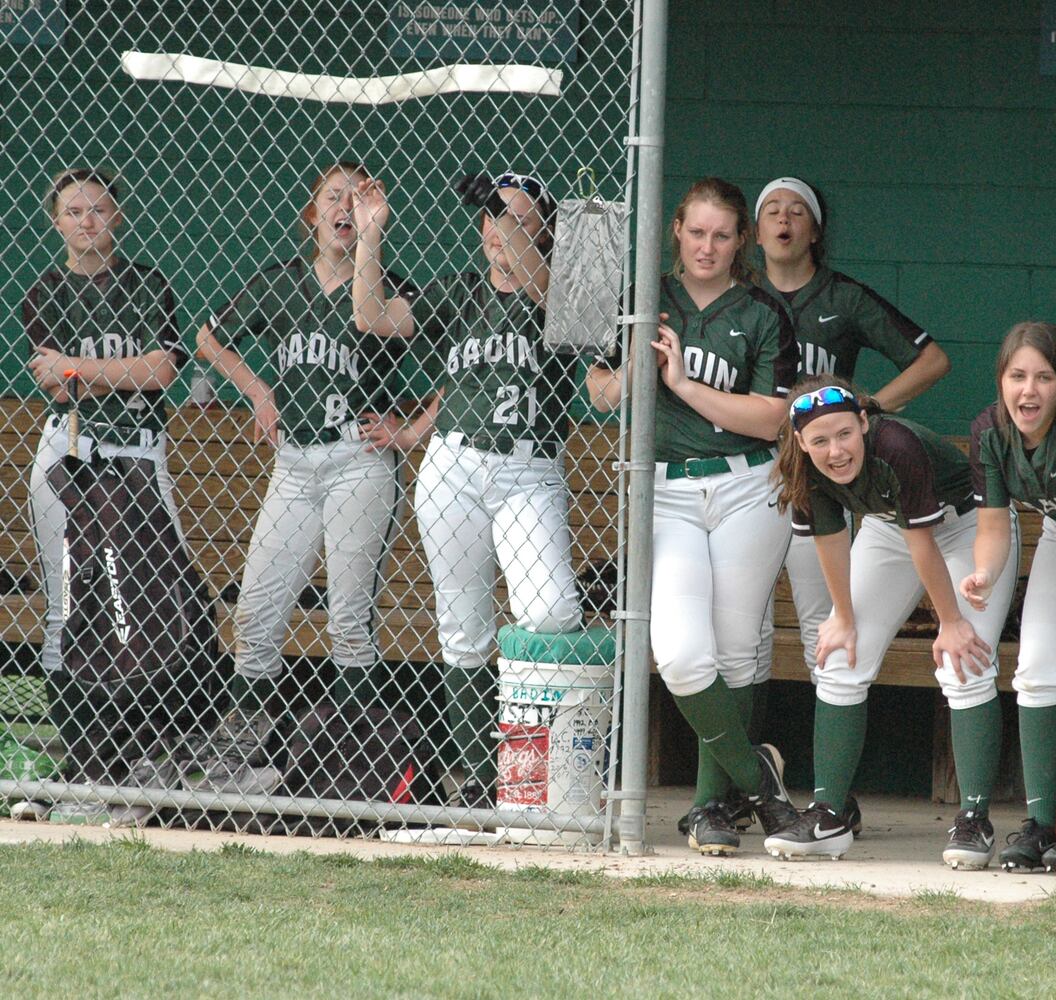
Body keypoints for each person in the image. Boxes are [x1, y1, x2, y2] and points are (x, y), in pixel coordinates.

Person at [699, 176, 950, 837]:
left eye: (797, 212)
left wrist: (871, 408)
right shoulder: (736, 300)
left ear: (815, 229)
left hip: (820, 484)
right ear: (753, 232)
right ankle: (736, 789)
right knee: (740, 635)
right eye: (770, 211)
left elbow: (931, 361)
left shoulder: (840, 298)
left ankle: (827, 795)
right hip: (751, 478)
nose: (783, 220)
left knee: (826, 634)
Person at [349, 169, 584, 809]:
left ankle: (540, 761)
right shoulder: (460, 292)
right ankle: (481, 779)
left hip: (526, 469)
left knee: (551, 610)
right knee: (462, 629)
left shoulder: (561, 290)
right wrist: (371, 238)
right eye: (494, 217)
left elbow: (536, 281)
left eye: (520, 217)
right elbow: (371, 316)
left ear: (545, 231)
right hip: (451, 466)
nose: (502, 229)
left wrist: (498, 210)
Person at [586, 177, 802, 855]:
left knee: (736, 650)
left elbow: (771, 418)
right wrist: (635, 378)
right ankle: (763, 788)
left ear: (741, 241)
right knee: (680, 653)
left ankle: (711, 808)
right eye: (696, 231)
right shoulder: (644, 299)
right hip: (666, 491)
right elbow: (599, 393)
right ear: (675, 230)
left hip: (746, 488)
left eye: (721, 234)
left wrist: (681, 384)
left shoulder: (764, 311)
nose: (706, 245)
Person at [188, 161, 415, 795]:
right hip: (292, 465)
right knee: (256, 613)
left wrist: (409, 428)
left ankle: (354, 764)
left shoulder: (389, 286)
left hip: (357, 461)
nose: (344, 206)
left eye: (357, 198)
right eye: (332, 198)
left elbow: (451, 356)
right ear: (312, 216)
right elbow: (208, 337)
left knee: (348, 617)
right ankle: (236, 758)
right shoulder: (280, 283)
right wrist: (258, 389)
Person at [763, 376, 1018, 865]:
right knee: (839, 652)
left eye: (844, 434)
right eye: (819, 440)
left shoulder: (895, 445)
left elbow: (923, 542)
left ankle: (974, 819)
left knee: (963, 659)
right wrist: (842, 616)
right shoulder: (803, 466)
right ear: (800, 441)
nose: (835, 450)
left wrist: (951, 622)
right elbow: (831, 541)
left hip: (967, 525)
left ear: (864, 421)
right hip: (887, 528)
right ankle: (829, 815)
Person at [15, 167, 187, 823]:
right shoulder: (45, 292)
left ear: (117, 217)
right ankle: (81, 766)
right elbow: (58, 392)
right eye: (74, 210)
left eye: (98, 210)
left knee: (147, 613)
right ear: (56, 221)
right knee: (68, 608)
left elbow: (161, 372)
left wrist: (82, 369)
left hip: (138, 453)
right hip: (69, 453)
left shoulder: (147, 282)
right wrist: (110, 375)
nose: (87, 220)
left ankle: (137, 763)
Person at [960, 321, 1056, 874]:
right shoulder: (989, 430)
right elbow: (993, 525)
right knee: (1035, 668)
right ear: (1001, 380)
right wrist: (985, 574)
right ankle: (1041, 822)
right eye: (1017, 376)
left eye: (1044, 377)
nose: (1028, 391)